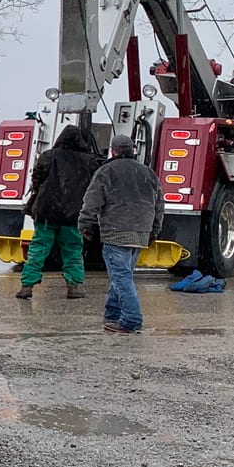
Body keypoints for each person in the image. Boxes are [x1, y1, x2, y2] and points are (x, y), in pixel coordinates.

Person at [78, 135, 164, 335]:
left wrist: (85, 225)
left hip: (116, 231)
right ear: (133, 150)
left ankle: (131, 320)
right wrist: (154, 231)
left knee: (121, 278)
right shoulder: (148, 173)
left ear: (113, 151)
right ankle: (112, 315)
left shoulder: (106, 171)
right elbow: (159, 204)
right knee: (121, 276)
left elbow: (91, 202)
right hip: (141, 232)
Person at [16, 123, 96, 301]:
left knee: (38, 249)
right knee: (73, 250)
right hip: (73, 216)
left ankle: (26, 287)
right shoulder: (88, 161)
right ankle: (74, 287)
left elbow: (36, 179)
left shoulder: (48, 156)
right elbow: (93, 187)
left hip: (46, 212)